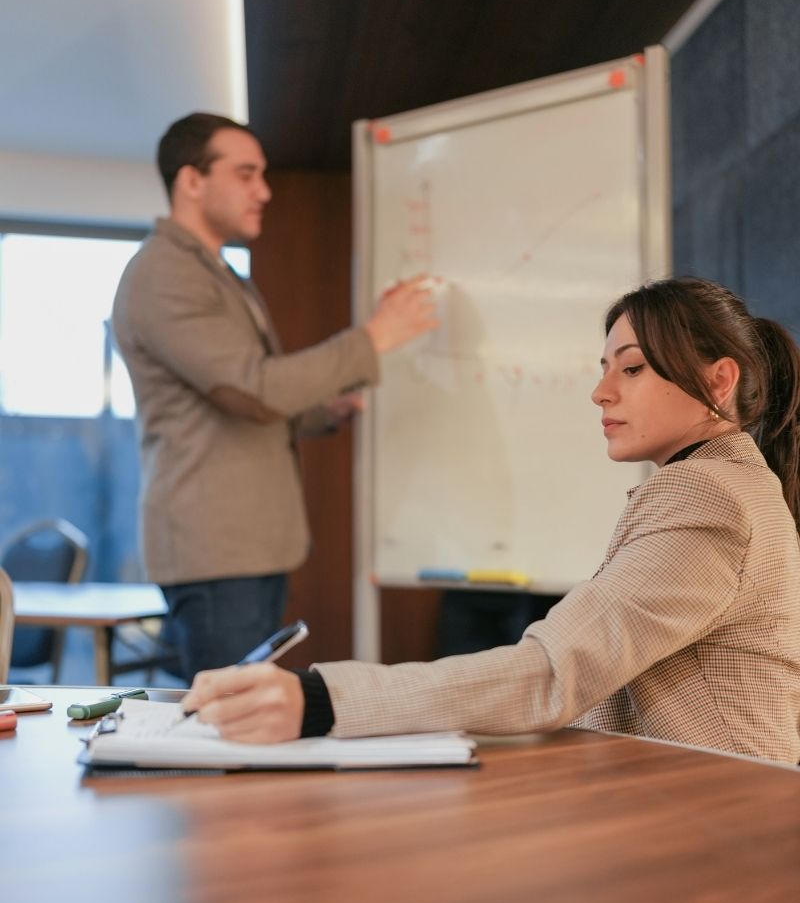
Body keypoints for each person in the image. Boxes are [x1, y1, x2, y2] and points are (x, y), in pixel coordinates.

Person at [182, 277, 800, 764]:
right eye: (604, 367)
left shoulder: (710, 498)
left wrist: (320, 701)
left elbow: (554, 671)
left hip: (727, 817)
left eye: (631, 368)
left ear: (720, 381)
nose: (601, 391)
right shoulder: (717, 484)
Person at [112, 112, 437, 681]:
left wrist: (325, 409)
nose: (264, 191)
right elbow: (254, 390)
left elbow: (240, 395)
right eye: (246, 174)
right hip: (216, 553)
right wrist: (376, 336)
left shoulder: (219, 273)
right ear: (192, 180)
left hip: (247, 548)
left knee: (248, 721)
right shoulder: (163, 274)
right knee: (233, 730)